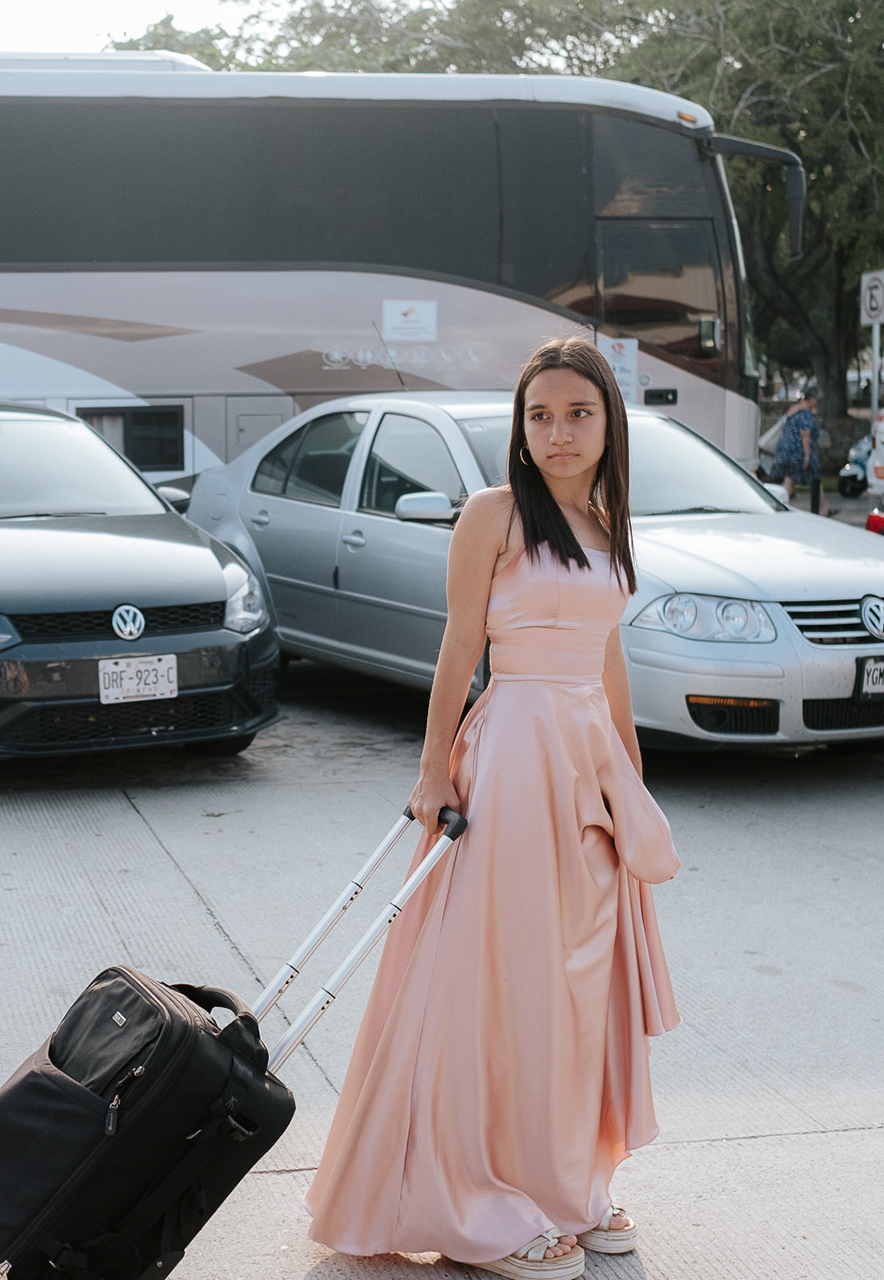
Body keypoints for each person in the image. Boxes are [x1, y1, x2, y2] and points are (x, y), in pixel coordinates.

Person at [304, 337, 681, 1280]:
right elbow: (457, 645)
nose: (559, 432)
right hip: (512, 755)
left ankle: (568, 1185)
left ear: (610, 424)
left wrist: (631, 780)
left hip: (588, 767)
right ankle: (481, 1200)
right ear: (521, 427)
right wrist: (434, 771)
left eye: (579, 413)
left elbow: (608, 657)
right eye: (540, 415)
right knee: (505, 979)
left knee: (576, 982)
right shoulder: (494, 514)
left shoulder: (607, 521)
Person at [769, 384, 823, 513]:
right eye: (818, 401)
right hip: (796, 451)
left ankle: (823, 507)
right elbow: (805, 434)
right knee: (791, 480)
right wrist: (807, 455)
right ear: (812, 399)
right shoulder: (805, 413)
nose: (818, 404)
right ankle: (780, 506)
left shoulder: (793, 409)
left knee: (789, 479)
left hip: (784, 449)